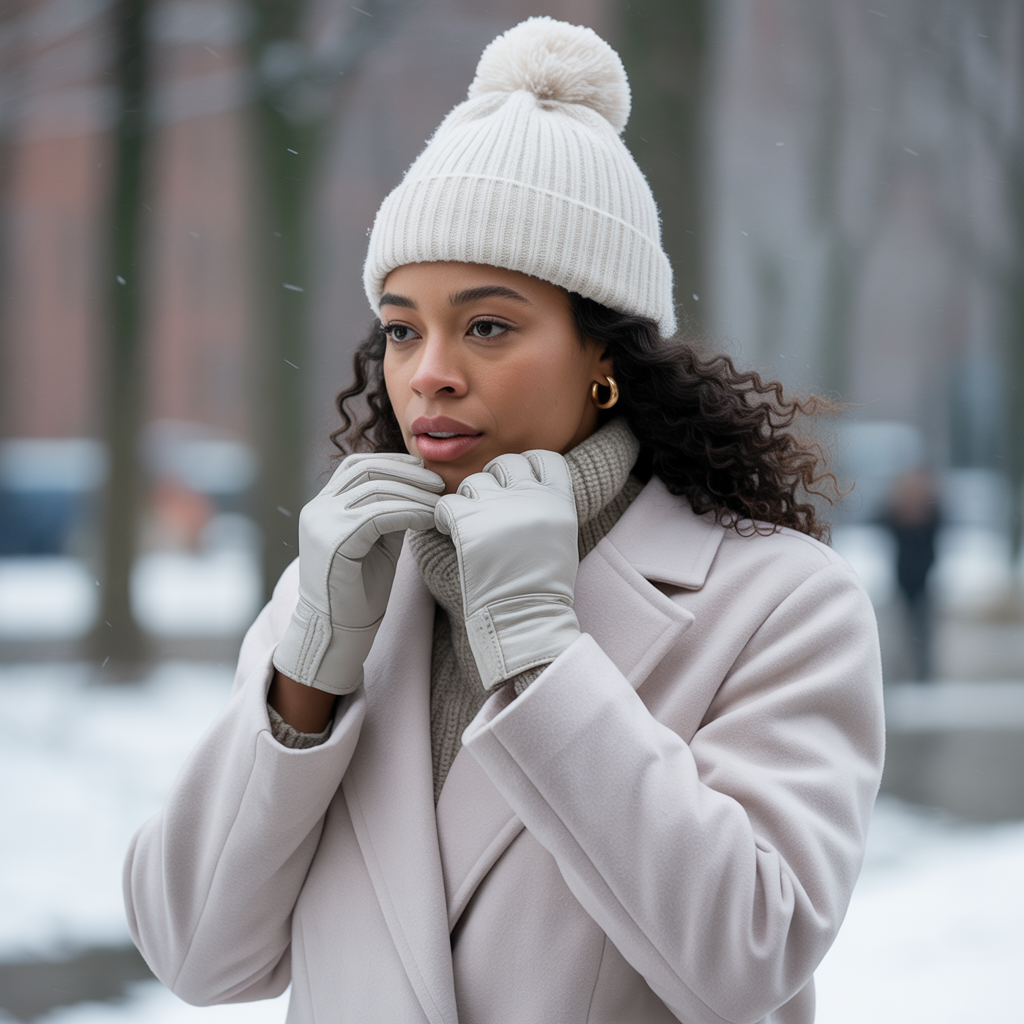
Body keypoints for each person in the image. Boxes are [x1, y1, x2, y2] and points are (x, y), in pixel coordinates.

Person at [124, 18, 884, 1024]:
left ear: (602, 353)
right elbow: (196, 956)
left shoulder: (780, 602)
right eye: (402, 327)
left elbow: (746, 955)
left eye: (487, 324)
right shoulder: (349, 590)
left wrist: (538, 649)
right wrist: (307, 670)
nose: (427, 370)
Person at [884, 468, 941, 681]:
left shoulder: (931, 512)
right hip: (902, 579)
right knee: (901, 631)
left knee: (923, 630)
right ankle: (901, 673)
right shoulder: (897, 514)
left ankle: (924, 674)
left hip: (924, 580)